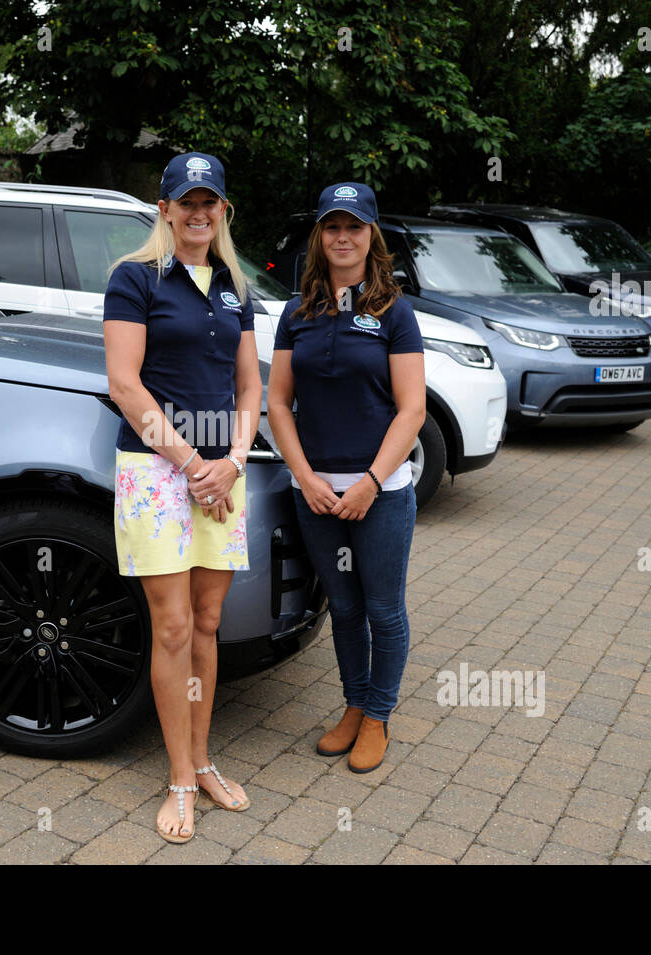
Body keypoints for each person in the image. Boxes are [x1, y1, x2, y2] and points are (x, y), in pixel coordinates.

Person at [103, 152, 262, 843]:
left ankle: (201, 761)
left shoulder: (234, 286)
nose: (198, 214)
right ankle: (175, 776)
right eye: (186, 202)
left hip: (221, 472)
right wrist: (194, 461)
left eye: (210, 203)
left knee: (206, 622)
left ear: (222, 211)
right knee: (170, 628)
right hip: (157, 471)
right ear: (163, 209)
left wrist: (230, 461)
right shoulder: (134, 278)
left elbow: (250, 388)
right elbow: (124, 384)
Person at [267, 181, 425, 773]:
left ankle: (379, 715)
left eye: (353, 227)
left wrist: (369, 483)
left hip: (379, 494)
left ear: (370, 236)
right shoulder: (297, 312)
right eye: (332, 227)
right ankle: (353, 707)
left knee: (383, 609)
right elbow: (279, 403)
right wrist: (304, 476)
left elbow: (411, 409)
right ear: (320, 236)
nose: (342, 237)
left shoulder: (395, 311)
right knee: (343, 605)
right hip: (315, 493)